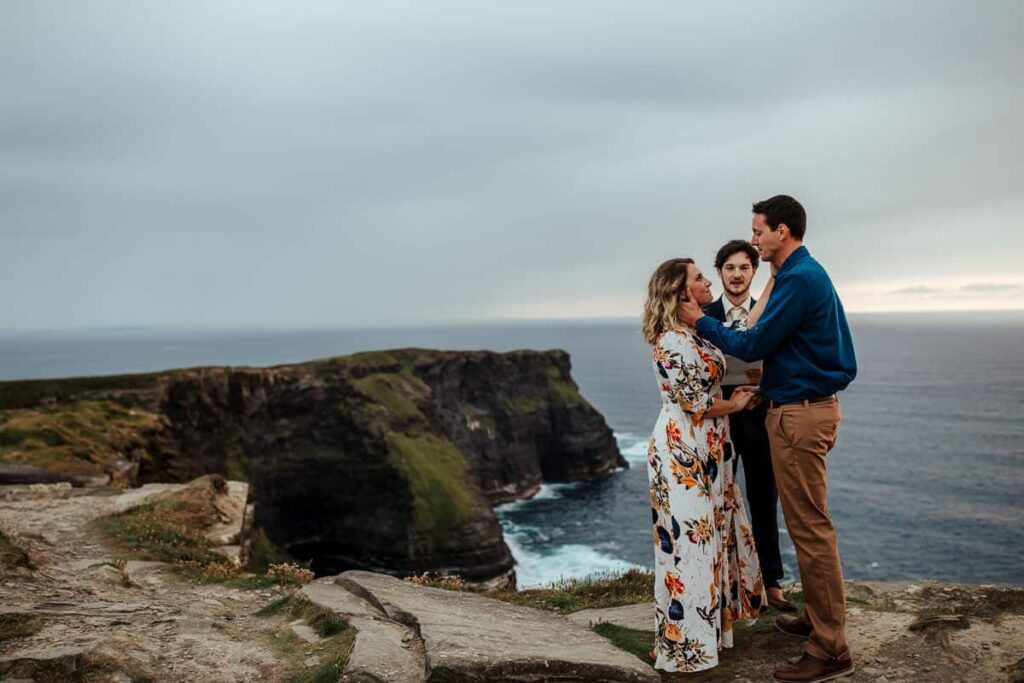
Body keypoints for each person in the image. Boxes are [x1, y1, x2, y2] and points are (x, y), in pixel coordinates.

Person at [676, 195, 858, 683]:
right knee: (806, 526)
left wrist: (700, 322)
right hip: (800, 407)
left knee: (811, 532)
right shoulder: (803, 275)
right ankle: (820, 624)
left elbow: (752, 343)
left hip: (800, 416)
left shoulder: (798, 279)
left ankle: (830, 649)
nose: (753, 239)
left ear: (782, 230)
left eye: (758, 232)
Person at [642, 257, 765, 673]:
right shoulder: (673, 341)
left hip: (710, 450)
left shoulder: (693, 332)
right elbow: (695, 404)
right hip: (684, 452)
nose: (708, 281)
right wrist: (737, 403)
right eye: (699, 278)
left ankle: (704, 636)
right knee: (688, 547)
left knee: (708, 542)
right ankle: (682, 648)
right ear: (681, 294)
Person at [703, 239, 795, 613]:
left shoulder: (771, 309)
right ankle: (719, 582)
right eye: (729, 268)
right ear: (720, 272)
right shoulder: (703, 314)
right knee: (716, 501)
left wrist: (763, 385)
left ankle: (771, 582)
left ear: (753, 272)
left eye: (744, 268)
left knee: (763, 500)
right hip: (717, 418)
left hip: (758, 415)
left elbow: (786, 359)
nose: (737, 275)